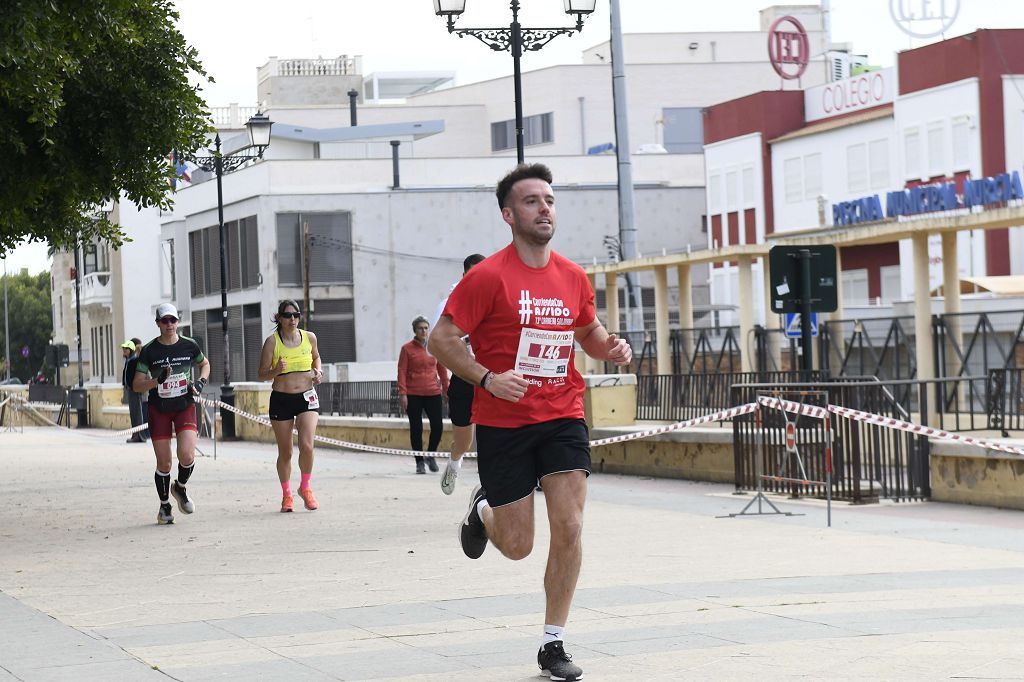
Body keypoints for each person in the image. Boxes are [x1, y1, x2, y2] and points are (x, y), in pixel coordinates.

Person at [429, 163, 632, 682]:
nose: (544, 208)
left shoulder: (572, 276)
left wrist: (610, 347)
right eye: (531, 201)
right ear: (508, 214)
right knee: (519, 545)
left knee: (571, 526)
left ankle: (553, 642)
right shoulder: (487, 277)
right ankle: (484, 510)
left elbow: (587, 331)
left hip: (563, 413)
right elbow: (441, 340)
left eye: (549, 200)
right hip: (504, 422)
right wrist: (487, 378)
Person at [133, 303, 211, 526]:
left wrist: (201, 382)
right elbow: (137, 385)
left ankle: (180, 488)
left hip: (184, 405)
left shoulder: (189, 345)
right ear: (158, 323)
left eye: (173, 320)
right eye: (165, 321)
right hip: (159, 409)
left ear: (178, 322)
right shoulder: (149, 350)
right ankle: (164, 505)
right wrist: (156, 381)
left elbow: (205, 364)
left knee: (187, 455)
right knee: (164, 463)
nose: (169, 324)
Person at [257, 300, 323, 513]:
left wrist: (318, 372)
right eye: (287, 316)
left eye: (296, 315)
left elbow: (316, 357)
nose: (292, 319)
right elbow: (261, 374)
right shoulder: (272, 342)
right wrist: (275, 370)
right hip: (282, 400)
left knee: (307, 446)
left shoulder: (309, 337)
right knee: (285, 452)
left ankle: (305, 487)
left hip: (306, 397)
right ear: (279, 318)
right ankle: (287, 495)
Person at [429, 253, 486, 494]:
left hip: (494, 378)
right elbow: (434, 345)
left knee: (493, 436)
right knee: (464, 441)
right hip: (464, 377)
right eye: (473, 275)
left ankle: (490, 488)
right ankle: (455, 462)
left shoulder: (498, 299)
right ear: (464, 276)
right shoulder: (449, 304)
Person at [398, 316, 449, 474]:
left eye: (426, 328)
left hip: (433, 392)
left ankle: (430, 455)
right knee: (416, 428)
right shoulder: (407, 349)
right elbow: (402, 371)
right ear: (415, 330)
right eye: (420, 328)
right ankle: (419, 462)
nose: (423, 331)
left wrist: (446, 389)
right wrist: (403, 393)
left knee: (438, 426)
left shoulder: (434, 347)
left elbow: (442, 369)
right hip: (413, 394)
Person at [121, 339, 147, 442]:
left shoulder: (134, 361)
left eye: (126, 349)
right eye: (123, 349)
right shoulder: (129, 361)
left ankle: (139, 436)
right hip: (130, 390)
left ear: (131, 350)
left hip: (135, 390)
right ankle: (135, 435)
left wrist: (133, 386)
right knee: (133, 413)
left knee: (137, 413)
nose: (124, 351)